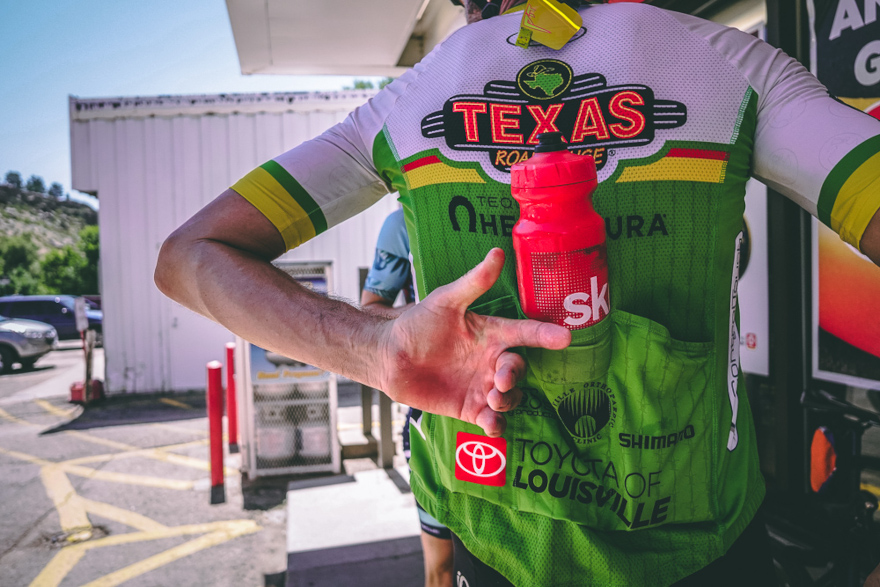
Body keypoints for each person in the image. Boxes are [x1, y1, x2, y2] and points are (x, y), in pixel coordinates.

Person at [155, 0, 880, 584]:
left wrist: (374, 349)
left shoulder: (408, 101)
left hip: (495, 548)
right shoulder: (729, 66)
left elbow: (191, 255)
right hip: (704, 552)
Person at [360, 208, 455, 587]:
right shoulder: (404, 222)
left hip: (527, 410)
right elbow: (370, 311)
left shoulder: (541, 196)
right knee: (442, 566)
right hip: (434, 422)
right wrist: (434, 314)